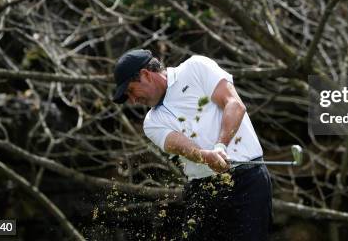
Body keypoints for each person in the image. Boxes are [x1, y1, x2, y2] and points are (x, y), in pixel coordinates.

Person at [112, 49, 272, 240]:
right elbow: (180, 146)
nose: (133, 100)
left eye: (131, 91)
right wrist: (207, 156)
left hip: (247, 180)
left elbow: (234, 104)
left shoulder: (195, 68)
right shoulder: (152, 122)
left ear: (146, 75)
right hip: (203, 191)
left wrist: (220, 147)